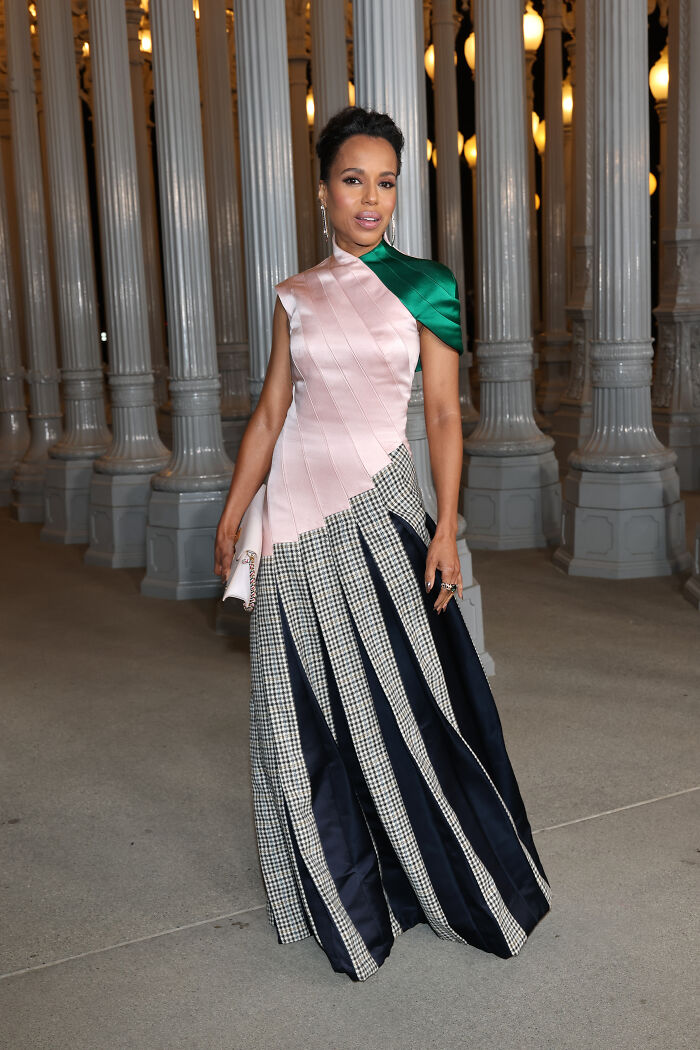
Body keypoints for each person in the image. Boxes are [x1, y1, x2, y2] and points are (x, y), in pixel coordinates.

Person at [214, 106, 551, 982]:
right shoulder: (295, 293)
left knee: (408, 702)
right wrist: (234, 507)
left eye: (386, 181)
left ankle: (436, 875)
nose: (371, 198)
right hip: (291, 517)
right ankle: (339, 899)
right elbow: (271, 412)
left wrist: (446, 525)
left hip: (384, 506)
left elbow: (442, 414)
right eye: (353, 180)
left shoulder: (427, 286)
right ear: (322, 189)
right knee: (300, 712)